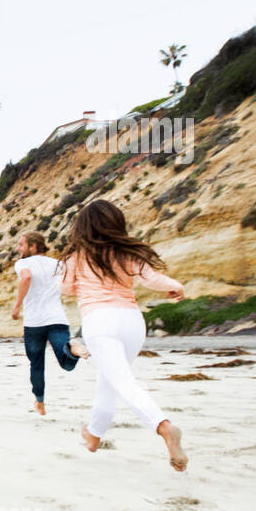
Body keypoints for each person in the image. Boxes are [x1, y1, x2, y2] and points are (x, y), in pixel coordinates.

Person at [58, 199, 188, 471]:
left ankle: (164, 427)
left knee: (123, 382)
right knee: (111, 381)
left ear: (83, 227)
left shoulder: (77, 256)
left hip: (100, 321)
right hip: (132, 322)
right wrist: (174, 286)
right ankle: (93, 436)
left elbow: (66, 289)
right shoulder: (127, 252)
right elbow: (151, 278)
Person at [10, 231, 80, 415]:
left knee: (36, 364)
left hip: (34, 323)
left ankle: (40, 402)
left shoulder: (23, 263)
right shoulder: (58, 264)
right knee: (67, 362)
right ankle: (73, 347)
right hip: (57, 319)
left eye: (21, 244)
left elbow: (26, 277)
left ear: (33, 246)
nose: (18, 248)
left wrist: (17, 306)